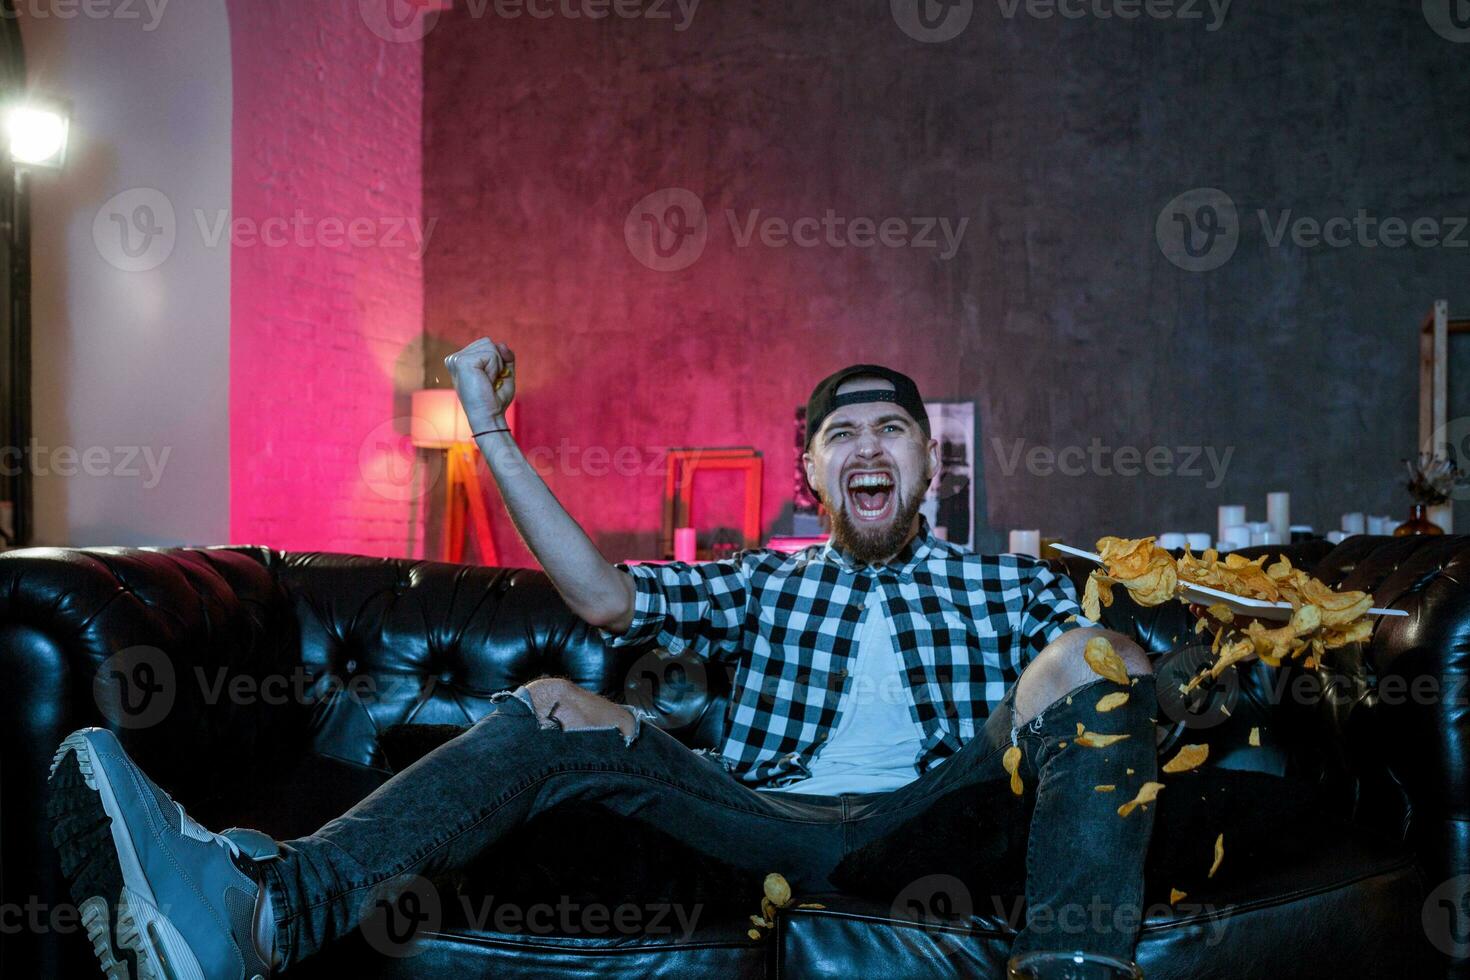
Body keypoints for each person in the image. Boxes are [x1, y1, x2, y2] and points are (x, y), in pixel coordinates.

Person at [47, 341, 1160, 979]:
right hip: (762, 821)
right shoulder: (765, 576)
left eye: (894, 430)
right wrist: (489, 429)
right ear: (815, 476)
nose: (870, 445)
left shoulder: (1010, 582)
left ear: (930, 465)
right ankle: (266, 907)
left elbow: (1095, 689)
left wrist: (1112, 643)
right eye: (844, 434)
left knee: (1087, 655)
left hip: (938, 812)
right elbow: (601, 597)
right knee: (550, 700)